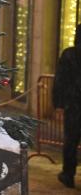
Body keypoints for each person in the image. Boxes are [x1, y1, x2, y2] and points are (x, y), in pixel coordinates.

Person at [53, 23, 81, 188]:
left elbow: (60, 81)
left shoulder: (69, 54)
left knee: (71, 140)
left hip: (74, 105)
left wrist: (59, 104)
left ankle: (68, 174)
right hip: (74, 103)